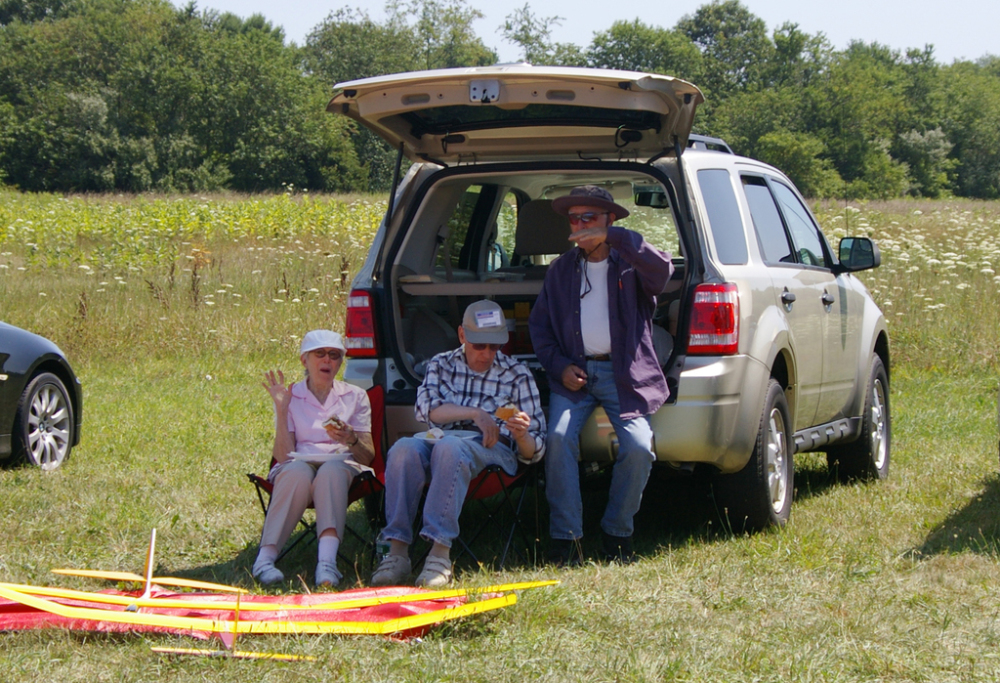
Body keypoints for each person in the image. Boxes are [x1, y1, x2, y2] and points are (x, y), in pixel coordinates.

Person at [528, 185, 674, 564]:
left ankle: (617, 535)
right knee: (557, 440)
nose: (579, 226)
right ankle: (567, 540)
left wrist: (615, 239)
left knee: (640, 448)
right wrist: (560, 368)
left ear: (610, 220)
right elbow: (540, 329)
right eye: (574, 218)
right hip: (574, 379)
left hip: (624, 376)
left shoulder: (631, 263)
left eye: (589, 218)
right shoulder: (561, 269)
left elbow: (663, 270)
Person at [370, 300, 546, 588]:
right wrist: (475, 414)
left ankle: (439, 554)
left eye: (494, 346)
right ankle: (397, 550)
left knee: (450, 448)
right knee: (402, 449)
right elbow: (427, 409)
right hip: (441, 438)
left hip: (493, 450)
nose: (487, 354)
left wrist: (521, 435)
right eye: (480, 346)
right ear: (462, 336)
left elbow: (535, 451)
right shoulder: (441, 363)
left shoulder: (517, 374)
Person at [252, 330, 376, 588]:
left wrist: (351, 439)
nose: (327, 361)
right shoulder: (290, 395)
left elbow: (368, 456)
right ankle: (264, 560)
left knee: (330, 470)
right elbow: (283, 456)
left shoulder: (355, 396)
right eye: (319, 354)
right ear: (304, 360)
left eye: (334, 355)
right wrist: (282, 408)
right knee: (296, 472)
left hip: (341, 464)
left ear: (341, 362)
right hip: (299, 462)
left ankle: (327, 562)